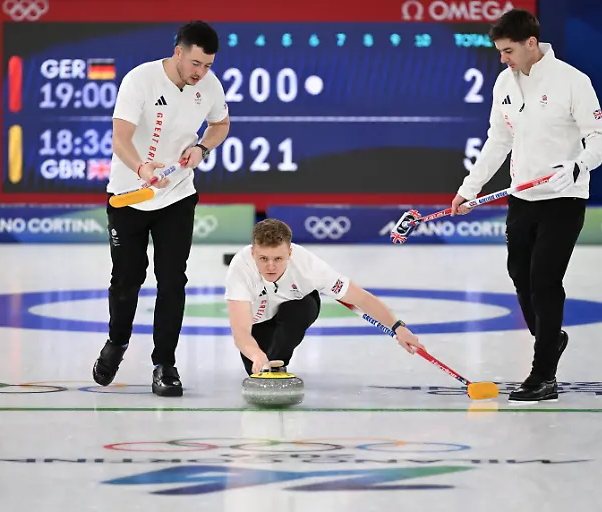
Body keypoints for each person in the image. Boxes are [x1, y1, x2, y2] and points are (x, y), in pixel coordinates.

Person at [450, 9, 602, 402]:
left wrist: (577, 166)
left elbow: (599, 137)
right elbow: (498, 140)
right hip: (522, 198)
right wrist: (469, 188)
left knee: (544, 281)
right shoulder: (505, 82)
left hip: (564, 199)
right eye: (500, 51)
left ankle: (543, 376)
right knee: (520, 277)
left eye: (508, 51)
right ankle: (550, 338)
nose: (502, 59)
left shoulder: (572, 81)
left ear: (531, 44)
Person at [92, 21, 230, 396]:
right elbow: (120, 138)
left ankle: (164, 364)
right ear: (178, 52)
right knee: (126, 279)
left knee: (172, 280)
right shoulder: (140, 80)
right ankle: (117, 341)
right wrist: (142, 168)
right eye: (196, 63)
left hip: (177, 196)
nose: (201, 72)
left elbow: (221, 124)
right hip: (130, 195)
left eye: (208, 65)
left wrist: (202, 148)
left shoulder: (209, 87)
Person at [224, 218, 425, 375]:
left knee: (300, 309)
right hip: (259, 321)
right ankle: (266, 361)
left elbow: (362, 299)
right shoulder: (241, 268)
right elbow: (240, 331)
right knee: (255, 364)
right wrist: (256, 355)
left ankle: (278, 366)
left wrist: (398, 327)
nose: (271, 266)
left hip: (296, 307)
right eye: (263, 258)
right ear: (253, 253)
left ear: (290, 253)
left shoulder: (310, 267)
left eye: (278, 258)